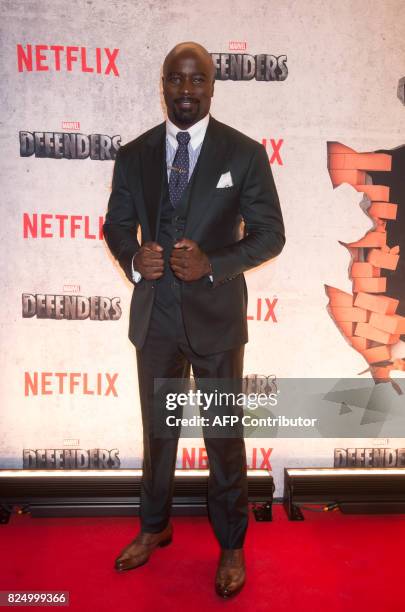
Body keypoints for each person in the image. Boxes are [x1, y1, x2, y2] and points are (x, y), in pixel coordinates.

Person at [103, 41, 285, 598]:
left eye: (197, 81)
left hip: (216, 320)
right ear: (163, 84)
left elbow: (270, 234)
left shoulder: (244, 154)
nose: (186, 91)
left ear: (212, 85)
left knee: (224, 436)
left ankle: (231, 544)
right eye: (176, 81)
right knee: (158, 434)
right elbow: (116, 225)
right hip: (155, 317)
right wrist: (134, 257)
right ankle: (154, 527)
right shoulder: (134, 154)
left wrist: (213, 265)